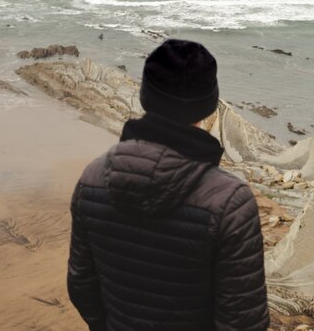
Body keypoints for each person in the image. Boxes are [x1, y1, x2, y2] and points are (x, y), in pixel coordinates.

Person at [67, 39, 270, 331]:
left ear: (145, 96)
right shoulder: (230, 202)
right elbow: (243, 321)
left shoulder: (93, 179)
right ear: (208, 107)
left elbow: (81, 283)